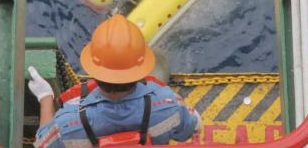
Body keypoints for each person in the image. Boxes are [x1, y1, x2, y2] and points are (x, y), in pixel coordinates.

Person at [28, 14, 201, 147]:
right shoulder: (169, 105)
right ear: (140, 70)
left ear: (94, 70)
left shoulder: (67, 123)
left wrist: (45, 98)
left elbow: (43, 144)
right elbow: (192, 127)